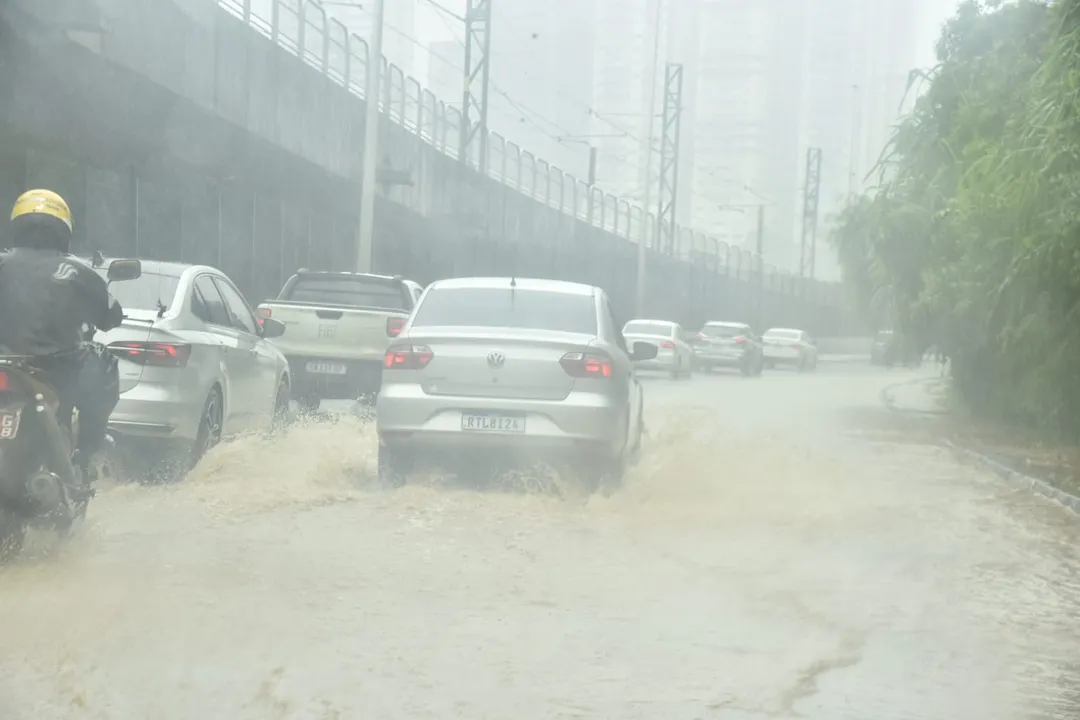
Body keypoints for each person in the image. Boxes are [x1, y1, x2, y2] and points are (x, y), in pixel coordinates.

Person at [0, 189, 123, 474]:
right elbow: (110, 317)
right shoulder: (77, 272)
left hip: (10, 367)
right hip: (52, 369)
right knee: (104, 363)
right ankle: (87, 452)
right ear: (63, 230)